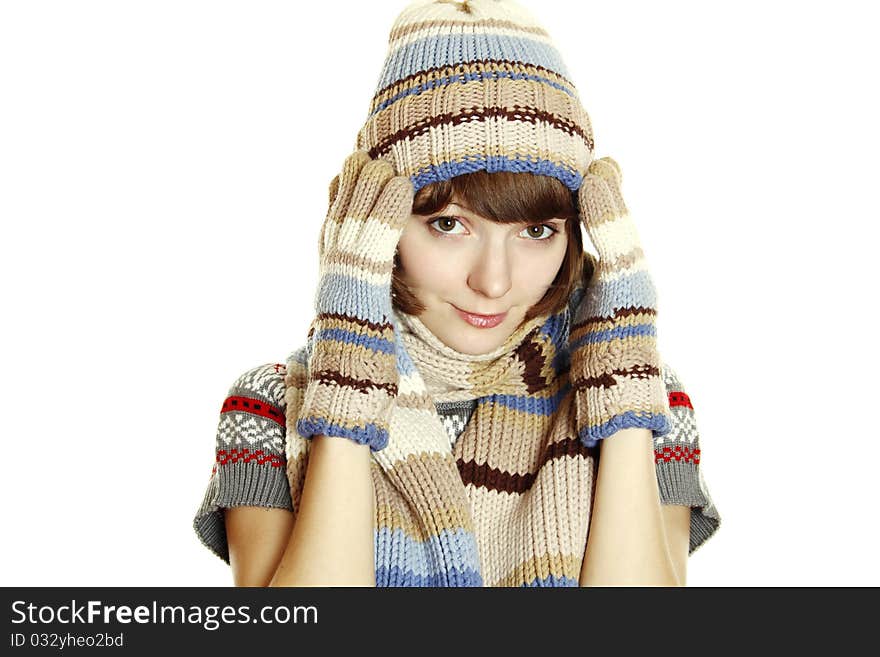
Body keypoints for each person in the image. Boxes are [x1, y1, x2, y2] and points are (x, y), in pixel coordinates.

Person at [193, 0, 721, 587]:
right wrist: (346, 392)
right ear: (379, 223)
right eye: (449, 223)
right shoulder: (269, 406)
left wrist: (622, 410)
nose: (493, 282)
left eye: (536, 231)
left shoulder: (649, 400)